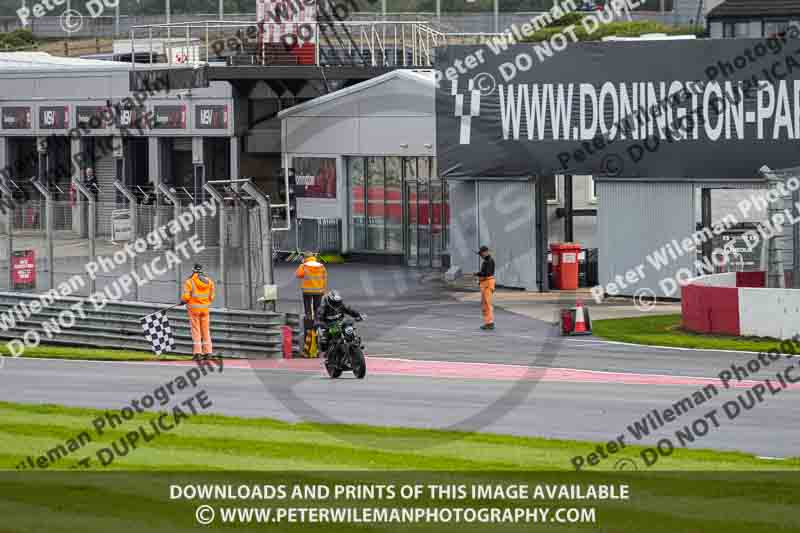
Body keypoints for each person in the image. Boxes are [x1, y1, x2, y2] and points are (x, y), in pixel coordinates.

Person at [314, 290, 362, 361]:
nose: (336, 304)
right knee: (324, 340)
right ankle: (330, 353)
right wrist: (320, 325)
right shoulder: (323, 308)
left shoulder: (340, 305)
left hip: (341, 323)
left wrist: (358, 315)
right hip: (330, 326)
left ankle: (355, 344)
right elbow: (318, 319)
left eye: (338, 302)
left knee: (350, 329)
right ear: (329, 301)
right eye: (334, 302)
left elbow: (349, 310)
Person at [181, 263, 216, 360]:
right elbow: (212, 297)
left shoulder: (189, 282)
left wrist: (182, 301)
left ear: (193, 270)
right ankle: (208, 352)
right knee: (206, 331)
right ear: (202, 270)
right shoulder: (209, 282)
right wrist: (205, 303)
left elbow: (186, 297)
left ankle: (198, 353)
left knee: (196, 331)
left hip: (193, 310)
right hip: (205, 309)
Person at [295, 252, 328, 322]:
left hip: (307, 291)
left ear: (305, 258)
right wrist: (323, 290)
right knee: (317, 308)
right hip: (319, 291)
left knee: (307, 308)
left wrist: (301, 265)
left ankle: (309, 322)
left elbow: (298, 275)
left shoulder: (304, 265)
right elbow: (324, 278)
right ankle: (317, 321)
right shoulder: (321, 266)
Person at [475, 245, 496, 330]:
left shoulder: (490, 261)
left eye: (481, 254)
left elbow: (487, 273)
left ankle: (490, 322)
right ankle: (487, 322)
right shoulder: (486, 261)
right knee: (484, 304)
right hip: (484, 284)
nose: (481, 255)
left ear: (486, 252)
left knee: (487, 304)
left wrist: (478, 274)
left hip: (488, 283)